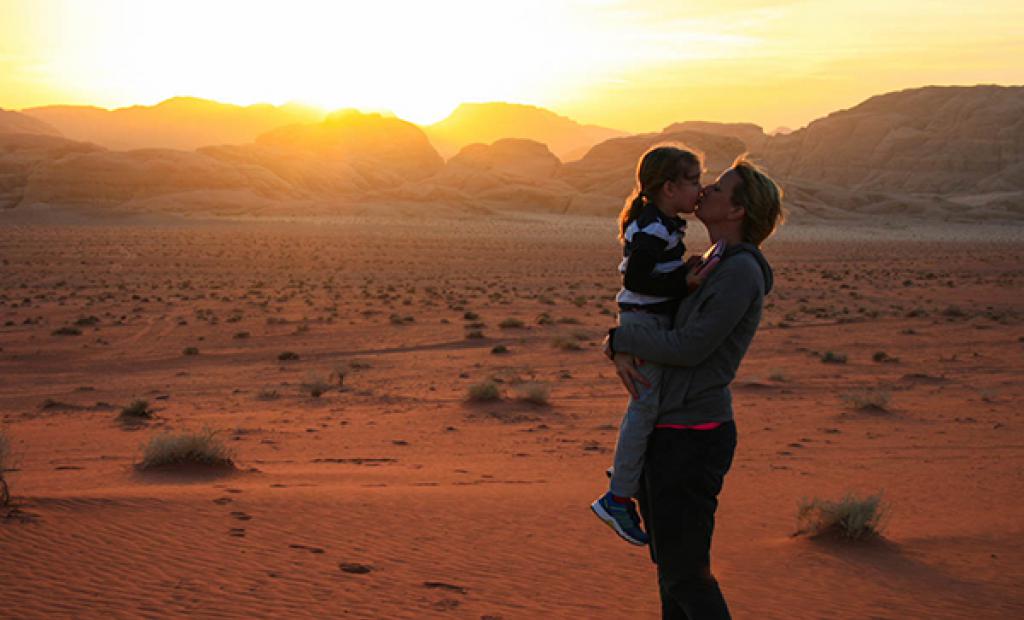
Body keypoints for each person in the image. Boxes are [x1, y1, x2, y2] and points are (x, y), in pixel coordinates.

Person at [604, 156, 784, 619]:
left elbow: (689, 347)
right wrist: (622, 342)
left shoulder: (739, 272)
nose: (705, 191)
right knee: (672, 574)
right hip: (668, 429)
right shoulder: (712, 261)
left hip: (693, 434)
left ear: (737, 210)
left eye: (718, 188)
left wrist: (619, 340)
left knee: (685, 576)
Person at [590, 145, 711, 546]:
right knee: (644, 407)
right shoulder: (653, 227)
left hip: (649, 321)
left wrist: (681, 269)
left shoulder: (663, 223)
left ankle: (629, 473)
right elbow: (637, 280)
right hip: (644, 323)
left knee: (650, 406)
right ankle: (618, 497)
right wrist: (683, 282)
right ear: (669, 188)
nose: (700, 189)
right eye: (693, 181)